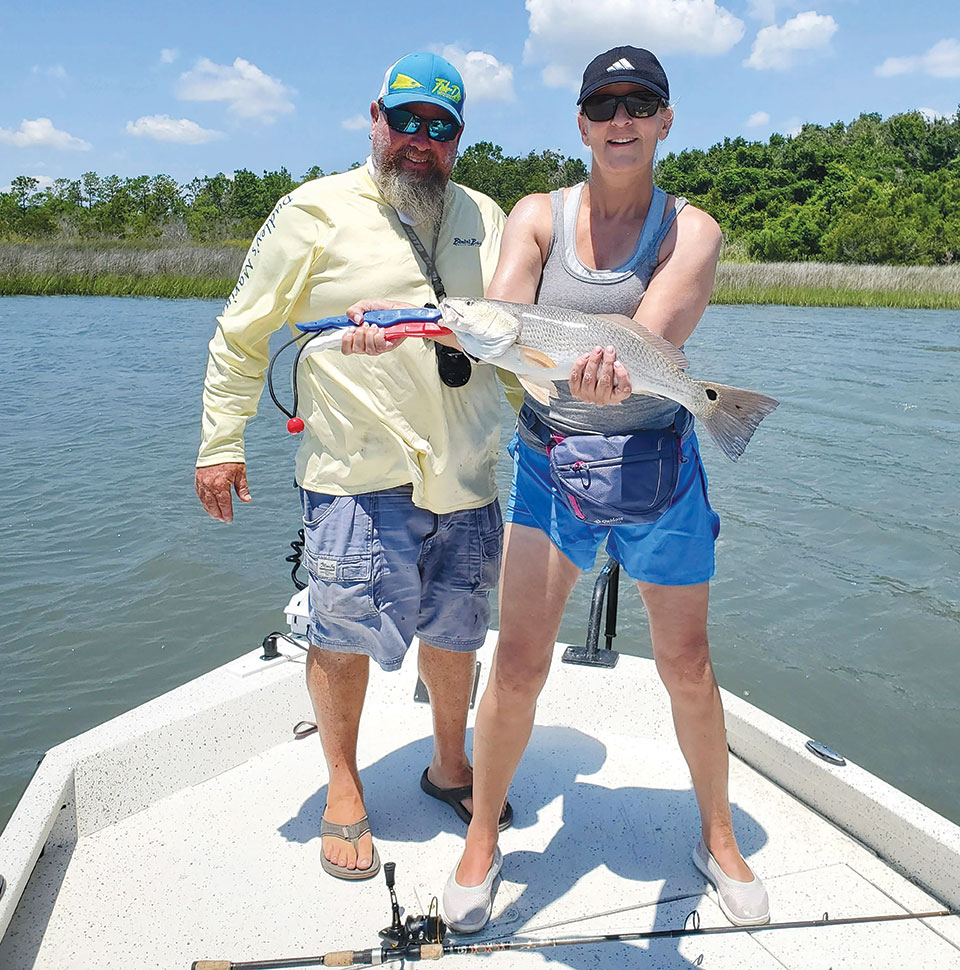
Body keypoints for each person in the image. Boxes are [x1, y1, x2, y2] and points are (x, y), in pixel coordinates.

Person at [439, 46, 770, 930]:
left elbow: (647, 334)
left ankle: (718, 835)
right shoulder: (537, 213)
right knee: (515, 664)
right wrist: (472, 332)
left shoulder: (691, 230)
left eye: (640, 104)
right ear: (581, 125)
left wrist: (601, 364)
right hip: (551, 462)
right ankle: (481, 837)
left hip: (658, 464)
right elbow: (501, 311)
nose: (621, 119)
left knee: (688, 667)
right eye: (603, 105)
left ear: (665, 121)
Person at [194, 51, 516, 881]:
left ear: (458, 138)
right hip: (354, 474)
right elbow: (241, 334)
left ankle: (451, 765)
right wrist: (221, 444)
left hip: (469, 474)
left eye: (440, 128)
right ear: (374, 117)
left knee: (458, 629)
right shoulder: (312, 211)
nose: (421, 140)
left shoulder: (488, 214)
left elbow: (518, 342)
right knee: (339, 636)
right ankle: (344, 788)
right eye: (405, 120)